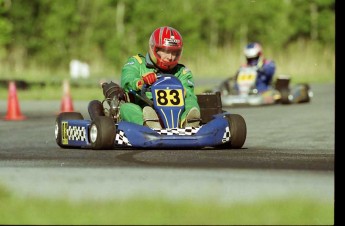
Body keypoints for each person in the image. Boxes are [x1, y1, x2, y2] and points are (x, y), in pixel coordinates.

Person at [92, 26, 201, 129]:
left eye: (175, 53)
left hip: (176, 112)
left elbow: (189, 91)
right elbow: (127, 80)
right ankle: (148, 125)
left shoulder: (182, 72)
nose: (170, 57)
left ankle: (188, 123)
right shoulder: (137, 63)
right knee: (127, 108)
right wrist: (140, 82)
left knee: (191, 100)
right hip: (144, 107)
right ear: (155, 49)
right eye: (166, 51)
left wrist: (183, 91)